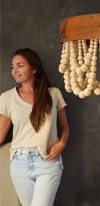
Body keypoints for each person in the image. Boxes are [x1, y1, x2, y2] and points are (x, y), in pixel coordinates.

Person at [0, 48, 70, 206]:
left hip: (47, 161)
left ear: (34, 68)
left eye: (20, 65)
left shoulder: (53, 94)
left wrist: (62, 143)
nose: (15, 71)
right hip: (19, 163)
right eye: (12, 67)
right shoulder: (7, 98)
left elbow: (65, 126)